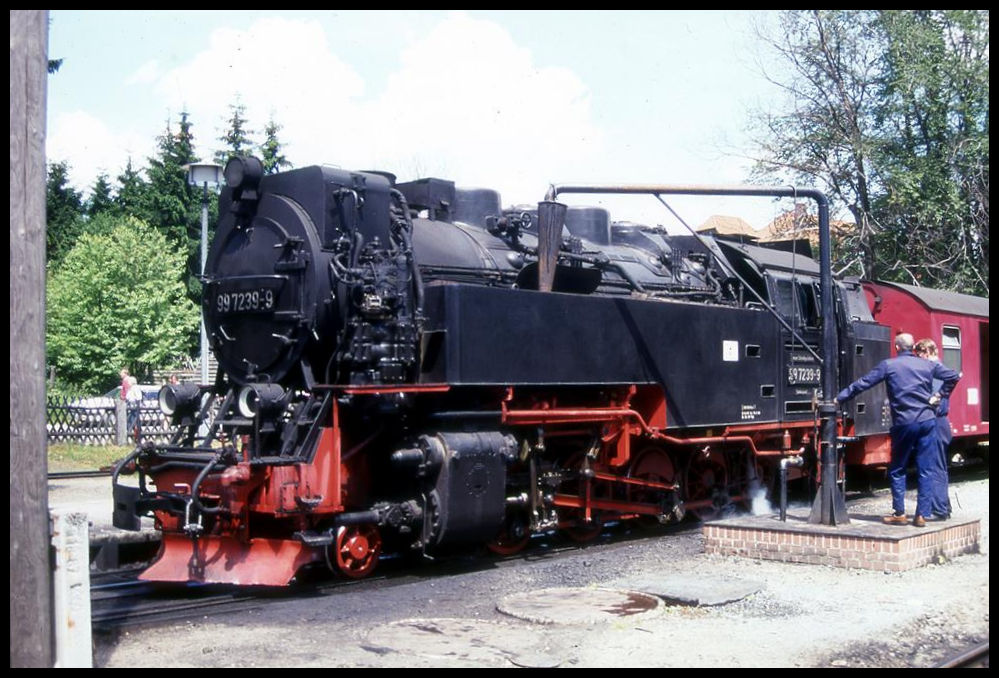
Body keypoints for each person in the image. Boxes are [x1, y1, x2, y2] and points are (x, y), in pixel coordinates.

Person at [836, 333, 959, 527]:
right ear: (912, 347)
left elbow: (863, 384)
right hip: (927, 421)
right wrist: (939, 395)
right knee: (925, 469)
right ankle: (922, 515)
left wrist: (839, 398)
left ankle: (900, 514)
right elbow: (953, 376)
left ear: (897, 347)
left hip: (904, 423)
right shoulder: (927, 365)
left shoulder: (889, 365)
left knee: (898, 468)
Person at [913, 338, 954, 520]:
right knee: (940, 466)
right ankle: (944, 505)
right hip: (941, 422)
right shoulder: (939, 369)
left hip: (936, 421)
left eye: (919, 355)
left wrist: (935, 396)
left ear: (927, 353)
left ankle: (939, 509)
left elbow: (934, 397)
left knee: (934, 466)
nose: (918, 359)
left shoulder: (935, 371)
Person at [125, 374, 142, 443]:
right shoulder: (131, 388)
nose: (128, 383)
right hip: (130, 407)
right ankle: (131, 436)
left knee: (133, 422)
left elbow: (139, 397)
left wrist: (136, 404)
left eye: (128, 382)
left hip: (134, 408)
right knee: (129, 422)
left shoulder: (135, 388)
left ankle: (136, 437)